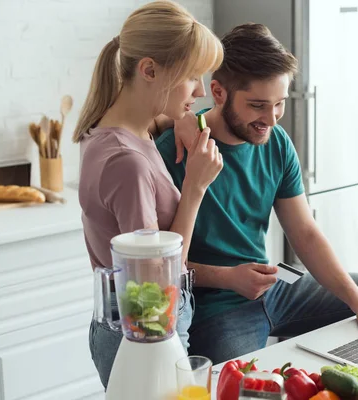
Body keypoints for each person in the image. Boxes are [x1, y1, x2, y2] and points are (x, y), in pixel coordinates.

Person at [154, 23, 358, 364]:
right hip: (217, 307)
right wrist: (228, 278)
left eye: (279, 104)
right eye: (258, 105)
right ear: (218, 92)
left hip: (275, 287)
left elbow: (304, 232)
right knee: (239, 382)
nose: (272, 119)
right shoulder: (174, 152)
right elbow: (158, 268)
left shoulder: (275, 143)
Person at [72, 0, 223, 389]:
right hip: (144, 332)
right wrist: (195, 187)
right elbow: (156, 283)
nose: (201, 91)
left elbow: (153, 118)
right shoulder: (126, 161)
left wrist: (183, 118)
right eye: (193, 77)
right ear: (150, 70)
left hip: (133, 327)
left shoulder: (118, 131)